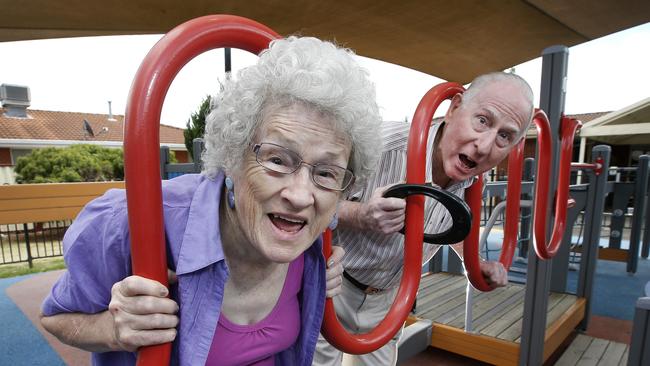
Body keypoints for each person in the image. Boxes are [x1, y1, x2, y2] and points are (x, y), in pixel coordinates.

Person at [39, 36, 383, 365]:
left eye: (326, 173)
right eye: (277, 160)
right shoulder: (133, 223)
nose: (300, 195)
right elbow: (56, 317)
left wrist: (322, 272)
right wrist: (112, 330)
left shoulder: (311, 237)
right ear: (232, 158)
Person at [314, 72, 535, 365]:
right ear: (454, 108)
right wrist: (362, 214)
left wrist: (474, 262)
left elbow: (444, 226)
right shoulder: (378, 145)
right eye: (482, 120)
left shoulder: (469, 180)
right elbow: (310, 201)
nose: (484, 146)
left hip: (391, 297)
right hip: (334, 285)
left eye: (504, 136)